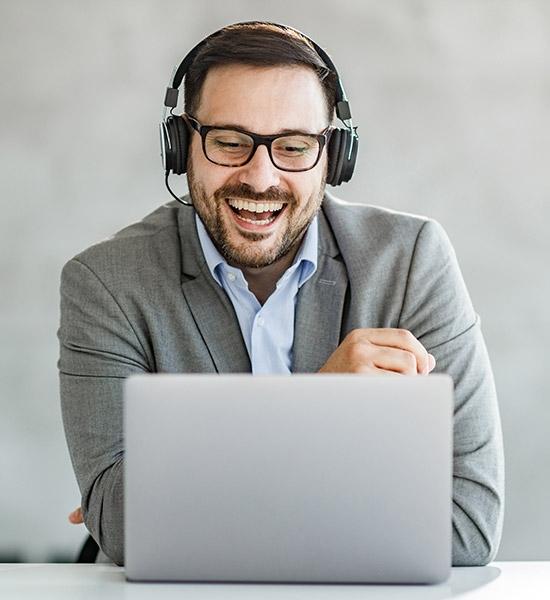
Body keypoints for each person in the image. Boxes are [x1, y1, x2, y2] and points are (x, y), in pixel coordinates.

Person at [59, 21, 504, 567]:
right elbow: (126, 524)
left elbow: (467, 524)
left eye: (293, 147)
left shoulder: (412, 262)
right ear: (180, 148)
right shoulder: (106, 283)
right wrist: (323, 407)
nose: (261, 177)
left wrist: (185, 490)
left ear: (334, 158)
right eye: (229, 142)